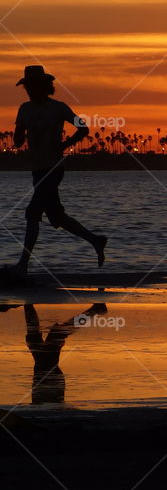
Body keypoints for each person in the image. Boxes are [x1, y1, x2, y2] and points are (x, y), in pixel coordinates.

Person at [10, 66, 107, 275]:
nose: (28, 90)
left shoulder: (59, 108)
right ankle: (96, 240)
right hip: (37, 169)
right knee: (56, 217)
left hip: (53, 169)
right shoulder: (24, 109)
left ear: (43, 87)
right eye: (26, 87)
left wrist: (65, 145)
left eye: (31, 86)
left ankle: (23, 265)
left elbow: (83, 128)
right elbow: (17, 141)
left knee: (32, 213)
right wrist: (19, 136)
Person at [24, 302, 107, 404]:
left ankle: (94, 310)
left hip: (46, 377)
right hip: (48, 377)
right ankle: (94, 310)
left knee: (43, 337)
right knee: (48, 336)